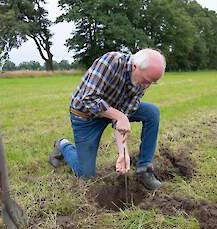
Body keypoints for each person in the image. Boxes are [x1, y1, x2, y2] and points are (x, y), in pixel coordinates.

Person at [49, 48, 166, 190]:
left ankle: (144, 169)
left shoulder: (140, 80)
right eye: (146, 80)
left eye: (152, 83)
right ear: (135, 67)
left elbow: (122, 119)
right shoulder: (111, 61)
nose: (147, 86)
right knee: (86, 175)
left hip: (112, 111)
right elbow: (88, 99)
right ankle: (63, 145)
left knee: (152, 112)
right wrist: (119, 116)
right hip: (86, 116)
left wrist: (123, 153)